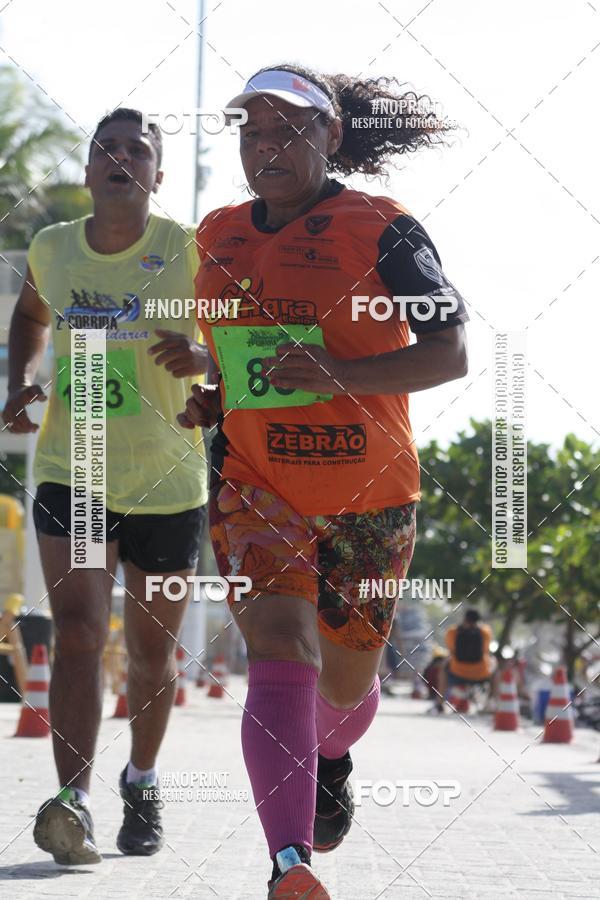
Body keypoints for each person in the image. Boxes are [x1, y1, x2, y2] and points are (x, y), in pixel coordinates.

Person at [180, 65, 469, 899]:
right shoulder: (219, 236)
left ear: (330, 136)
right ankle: (290, 864)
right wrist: (214, 391)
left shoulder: (383, 229)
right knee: (279, 647)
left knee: (341, 690)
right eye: (251, 132)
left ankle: (332, 754)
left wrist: (341, 373)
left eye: (289, 130)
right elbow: (244, 361)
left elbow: (450, 353)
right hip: (254, 486)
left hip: (368, 496)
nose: (266, 147)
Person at [2, 108, 208, 865]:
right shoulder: (52, 248)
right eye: (106, 148)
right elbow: (30, 315)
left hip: (166, 479)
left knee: (153, 656)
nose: (121, 157)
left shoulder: (191, 250)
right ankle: (75, 803)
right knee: (82, 635)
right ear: (89, 173)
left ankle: (143, 780)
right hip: (74, 467)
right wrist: (22, 378)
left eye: (138, 149)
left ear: (157, 174)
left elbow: (240, 336)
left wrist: (207, 365)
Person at [441, 609, 494, 707]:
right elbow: (485, 650)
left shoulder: (452, 631)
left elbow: (451, 650)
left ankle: (439, 702)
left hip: (457, 672)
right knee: (496, 669)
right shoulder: (485, 632)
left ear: (464, 619)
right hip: (480, 673)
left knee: (444, 666)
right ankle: (491, 702)